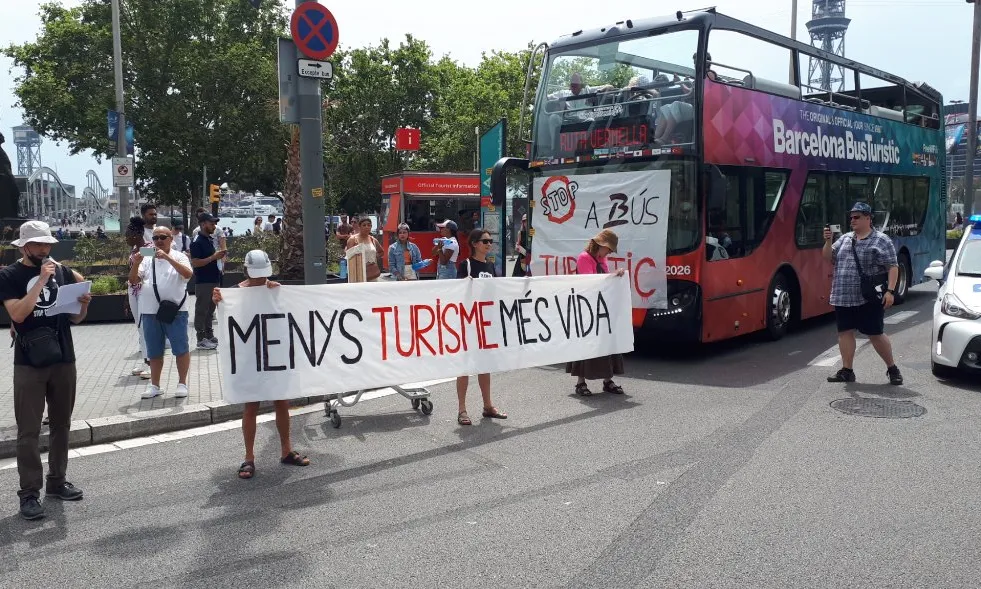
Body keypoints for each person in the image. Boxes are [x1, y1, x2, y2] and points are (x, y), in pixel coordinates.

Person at [0, 221, 91, 520]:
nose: (44, 249)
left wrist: (84, 304)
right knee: (28, 430)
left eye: (47, 244)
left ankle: (57, 481)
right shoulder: (10, 275)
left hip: (64, 356)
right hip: (29, 362)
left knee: (62, 425)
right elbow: (18, 314)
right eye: (38, 245)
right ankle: (28, 493)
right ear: (24, 246)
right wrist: (40, 281)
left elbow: (75, 319)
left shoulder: (61, 271)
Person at [212, 249, 310, 479]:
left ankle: (286, 450)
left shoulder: (274, 289)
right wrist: (217, 301)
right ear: (247, 270)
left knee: (282, 401)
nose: (260, 279)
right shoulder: (235, 292)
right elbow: (224, 319)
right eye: (257, 275)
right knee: (251, 405)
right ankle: (249, 457)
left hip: (274, 355)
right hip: (249, 357)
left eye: (263, 274)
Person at [823, 202, 903, 385]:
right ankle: (847, 370)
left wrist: (890, 291)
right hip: (842, 295)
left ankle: (892, 369)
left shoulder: (881, 240)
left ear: (868, 218)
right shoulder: (844, 239)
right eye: (851, 217)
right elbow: (828, 257)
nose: (853, 220)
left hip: (867, 298)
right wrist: (828, 241)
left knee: (875, 333)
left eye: (857, 217)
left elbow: (892, 266)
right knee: (844, 333)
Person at [129, 226, 193, 399]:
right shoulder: (147, 258)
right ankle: (155, 385)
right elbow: (133, 280)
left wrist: (168, 258)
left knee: (181, 348)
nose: (158, 241)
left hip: (176, 311)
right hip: (150, 311)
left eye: (163, 237)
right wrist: (135, 263)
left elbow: (188, 274)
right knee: (154, 351)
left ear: (171, 239)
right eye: (156, 238)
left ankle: (182, 383)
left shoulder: (179, 256)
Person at [455, 229, 507, 425]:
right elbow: (457, 292)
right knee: (465, 366)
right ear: (475, 243)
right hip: (468, 321)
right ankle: (462, 410)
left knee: (485, 364)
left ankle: (488, 405)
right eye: (485, 241)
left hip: (486, 322)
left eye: (490, 241)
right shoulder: (465, 265)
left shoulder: (491, 266)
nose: (489, 244)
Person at [566, 229, 627, 395]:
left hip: (601, 306)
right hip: (586, 307)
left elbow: (604, 281)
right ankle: (581, 383)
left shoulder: (602, 258)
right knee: (586, 343)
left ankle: (608, 380)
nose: (609, 252)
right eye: (608, 249)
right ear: (600, 245)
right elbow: (591, 282)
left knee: (606, 343)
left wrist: (616, 276)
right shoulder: (584, 257)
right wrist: (611, 277)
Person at [125, 205, 158, 380]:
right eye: (151, 214)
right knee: (140, 326)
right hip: (134, 287)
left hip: (147, 287)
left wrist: (140, 250)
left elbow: (159, 252)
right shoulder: (136, 241)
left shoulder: (152, 240)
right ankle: (146, 359)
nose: (127, 237)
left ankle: (152, 364)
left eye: (155, 214)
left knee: (146, 326)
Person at [189, 213, 226, 349]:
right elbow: (196, 263)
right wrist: (213, 257)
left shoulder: (208, 239)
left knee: (210, 310)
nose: (214, 226)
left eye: (214, 223)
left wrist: (218, 258)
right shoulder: (197, 241)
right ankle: (201, 338)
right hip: (203, 281)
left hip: (213, 279)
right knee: (202, 310)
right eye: (211, 223)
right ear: (203, 224)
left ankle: (209, 335)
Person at [346, 217, 384, 282]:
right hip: (357, 274)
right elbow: (349, 257)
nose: (367, 227)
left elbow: (381, 252)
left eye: (369, 225)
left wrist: (373, 258)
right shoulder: (353, 240)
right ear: (359, 226)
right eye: (364, 225)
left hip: (372, 274)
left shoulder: (373, 240)